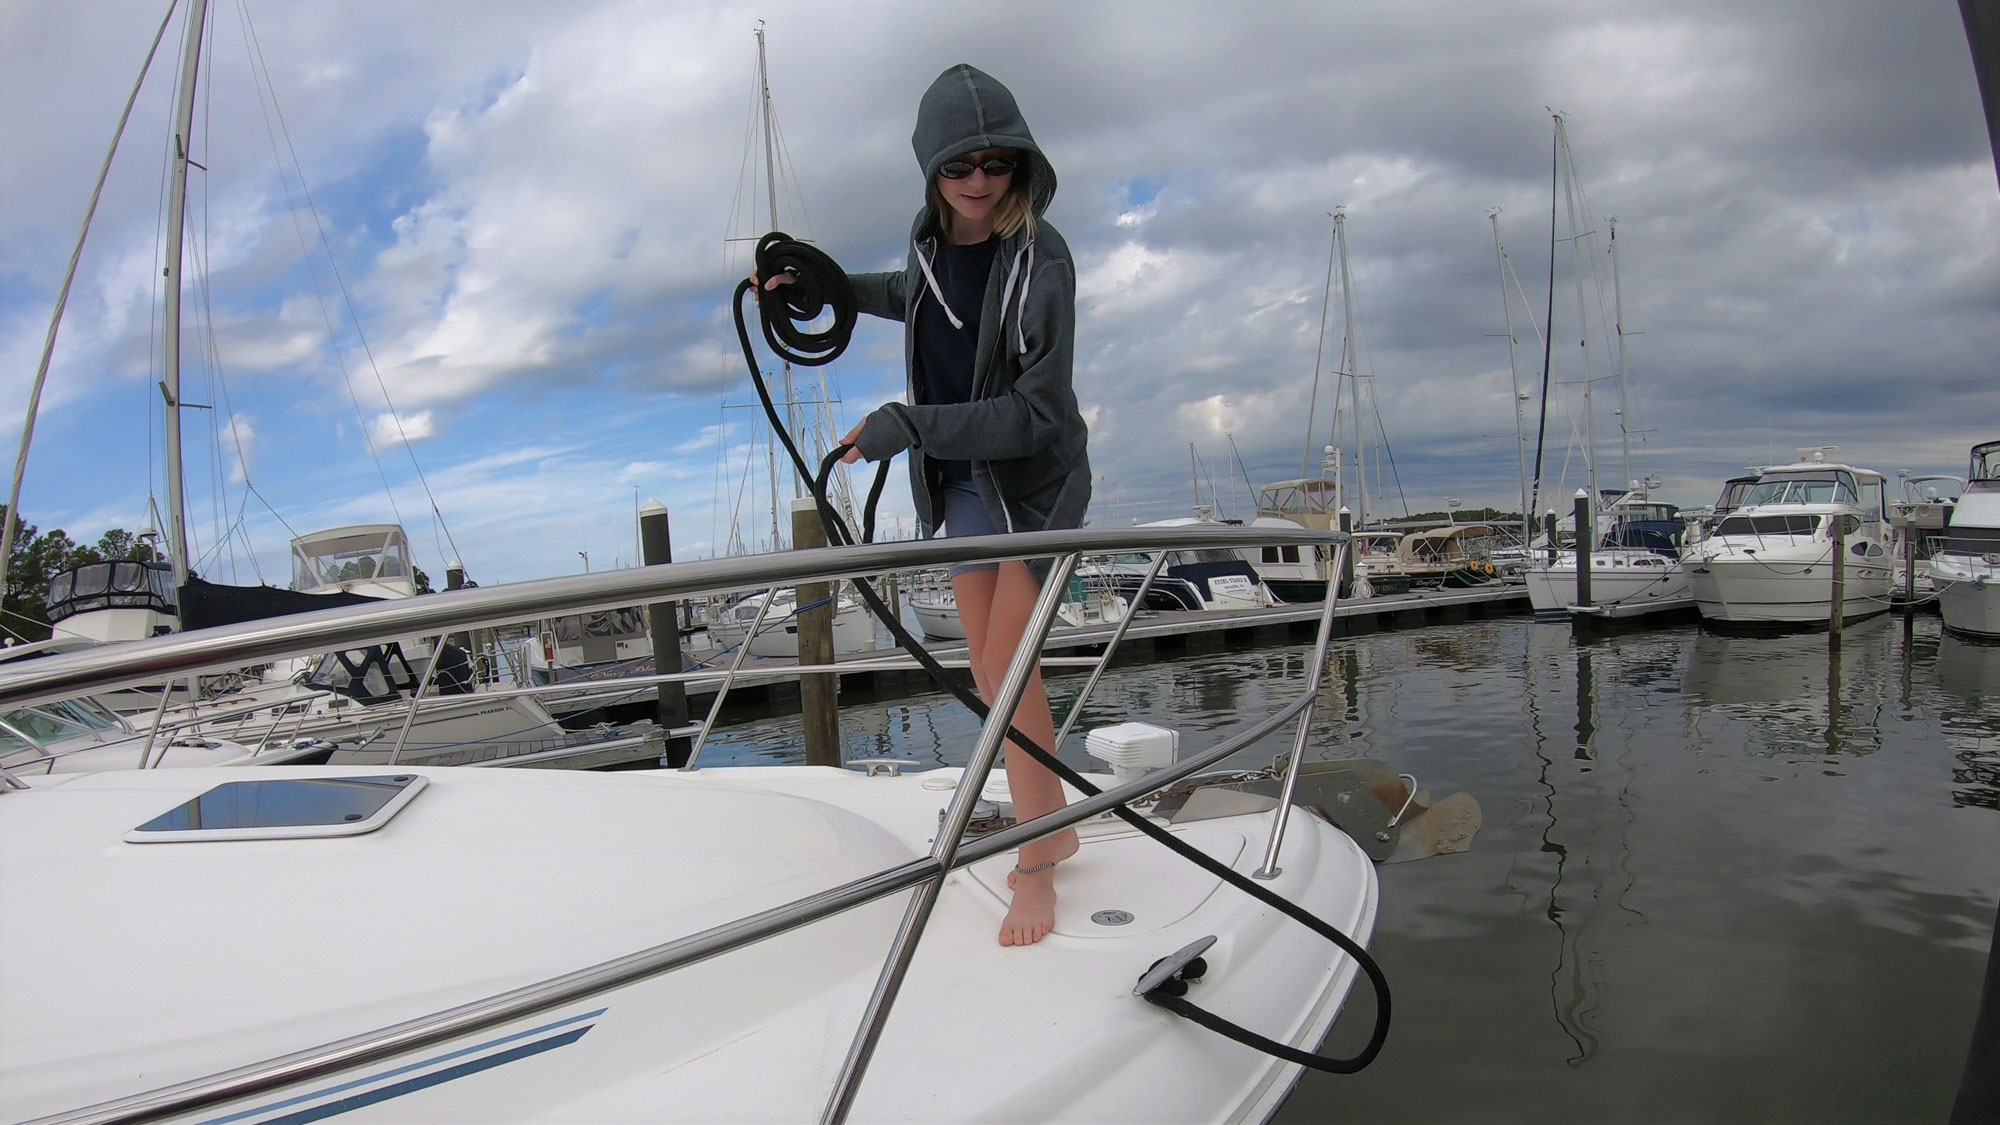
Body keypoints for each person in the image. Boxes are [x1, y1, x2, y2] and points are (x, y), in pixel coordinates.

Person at [757, 64, 1090, 946]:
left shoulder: (1040, 259)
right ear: (931, 172)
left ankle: (1037, 863)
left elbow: (1039, 411)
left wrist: (907, 421)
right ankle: (1053, 821)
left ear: (1020, 164)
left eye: (997, 163)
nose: (980, 181)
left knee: (1008, 668)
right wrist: (820, 283)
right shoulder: (931, 247)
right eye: (959, 166)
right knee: (989, 670)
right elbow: (910, 296)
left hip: (1030, 491)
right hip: (961, 485)